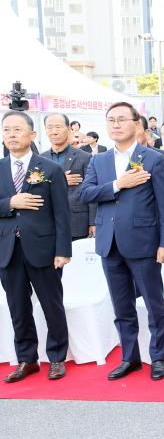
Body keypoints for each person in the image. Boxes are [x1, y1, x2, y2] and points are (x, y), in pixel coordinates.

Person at [79, 102, 164, 381]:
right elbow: (85, 194)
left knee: (153, 301)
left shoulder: (154, 158)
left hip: (144, 242)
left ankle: (157, 356)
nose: (116, 124)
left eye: (122, 119)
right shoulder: (98, 160)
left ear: (136, 124)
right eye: (111, 120)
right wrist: (118, 185)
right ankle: (129, 357)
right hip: (109, 243)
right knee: (121, 304)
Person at [0, 111, 72, 383]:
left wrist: (63, 250)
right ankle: (26, 359)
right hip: (8, 250)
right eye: (6, 130)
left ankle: (56, 358)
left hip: (43, 249)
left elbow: (62, 214)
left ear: (32, 134)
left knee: (51, 305)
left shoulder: (49, 169)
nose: (11, 135)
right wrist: (10, 203)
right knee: (17, 307)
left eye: (17, 129)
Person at [42, 113, 96, 241]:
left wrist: (93, 222)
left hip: (77, 221)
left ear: (68, 129)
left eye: (58, 127)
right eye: (49, 127)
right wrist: (60, 181)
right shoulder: (40, 159)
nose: (54, 132)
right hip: (48, 222)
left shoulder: (85, 157)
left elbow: (92, 191)